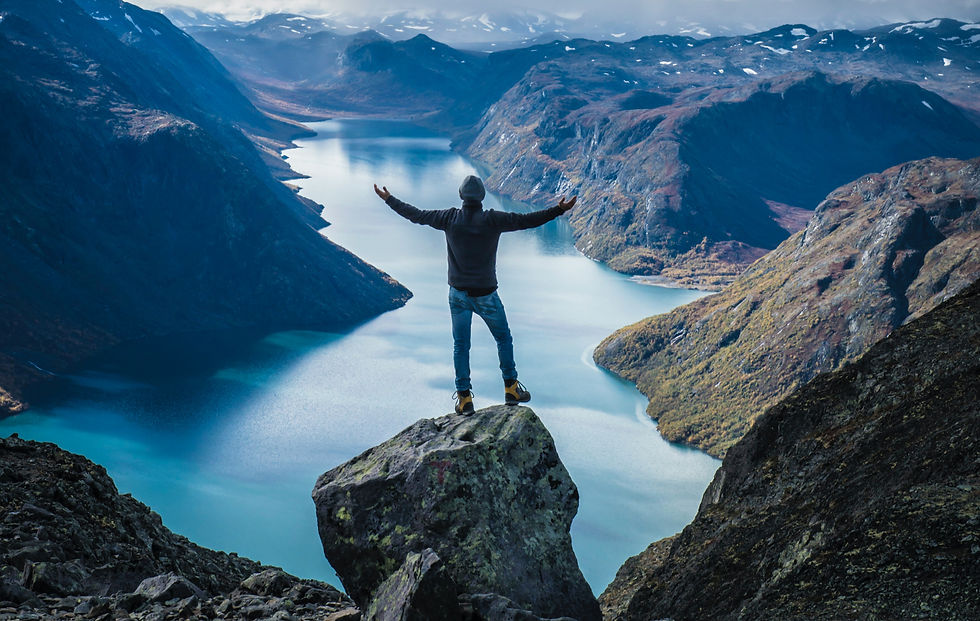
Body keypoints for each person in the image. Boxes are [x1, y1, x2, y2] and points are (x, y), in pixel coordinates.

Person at [373, 175, 576, 415]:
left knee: (461, 346)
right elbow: (526, 221)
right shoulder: (493, 220)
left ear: (461, 196)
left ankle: (464, 399)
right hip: (487, 294)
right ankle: (511, 388)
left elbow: (416, 215)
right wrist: (558, 210)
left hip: (457, 294)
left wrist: (389, 199)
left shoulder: (448, 218)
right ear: (482, 197)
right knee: (503, 338)